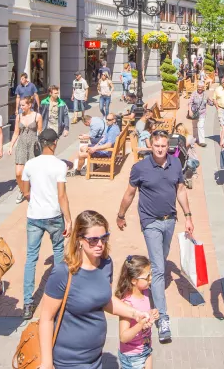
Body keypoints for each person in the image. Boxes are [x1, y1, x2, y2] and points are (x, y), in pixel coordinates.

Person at [37, 210, 151, 369]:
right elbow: (46, 318)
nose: (100, 244)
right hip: (68, 362)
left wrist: (135, 314)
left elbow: (105, 300)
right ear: (79, 240)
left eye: (104, 238)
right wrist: (47, 363)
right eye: (93, 240)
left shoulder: (106, 264)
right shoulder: (63, 273)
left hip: (95, 359)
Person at [116, 129, 194, 344]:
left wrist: (188, 216)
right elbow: (130, 193)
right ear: (150, 145)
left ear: (167, 145)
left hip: (170, 220)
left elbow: (180, 190)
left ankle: (149, 277)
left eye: (163, 146)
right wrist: (121, 215)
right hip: (150, 221)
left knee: (161, 258)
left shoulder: (175, 164)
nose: (160, 150)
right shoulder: (140, 168)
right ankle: (163, 318)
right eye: (156, 146)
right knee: (159, 269)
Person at [21, 128, 72, 321]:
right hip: (54, 215)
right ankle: (59, 298)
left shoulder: (30, 164)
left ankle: (27, 303)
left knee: (31, 258)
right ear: (54, 143)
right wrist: (68, 218)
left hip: (34, 215)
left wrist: (33, 200)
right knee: (59, 253)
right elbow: (62, 195)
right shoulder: (59, 166)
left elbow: (25, 191)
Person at [116, 255, 158, 369]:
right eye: (147, 276)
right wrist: (140, 325)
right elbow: (123, 337)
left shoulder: (145, 292)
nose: (151, 279)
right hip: (133, 356)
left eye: (151, 274)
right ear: (134, 280)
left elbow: (144, 311)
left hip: (146, 347)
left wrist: (152, 313)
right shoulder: (127, 304)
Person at [10, 95, 42, 203]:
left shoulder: (37, 116)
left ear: (29, 105)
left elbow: (40, 133)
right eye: (20, 105)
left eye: (23, 105)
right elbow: (16, 133)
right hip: (21, 145)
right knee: (18, 173)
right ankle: (23, 191)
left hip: (33, 145)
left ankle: (32, 191)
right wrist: (11, 146)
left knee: (33, 172)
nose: (21, 107)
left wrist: (43, 147)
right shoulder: (19, 117)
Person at [188, 80, 211, 148]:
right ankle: (195, 138)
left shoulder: (205, 94)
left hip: (202, 112)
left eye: (201, 87)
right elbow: (190, 102)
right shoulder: (194, 93)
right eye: (199, 87)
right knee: (195, 126)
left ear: (203, 87)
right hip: (194, 112)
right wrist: (190, 111)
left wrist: (213, 101)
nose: (200, 88)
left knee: (200, 126)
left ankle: (202, 141)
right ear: (197, 87)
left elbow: (209, 102)